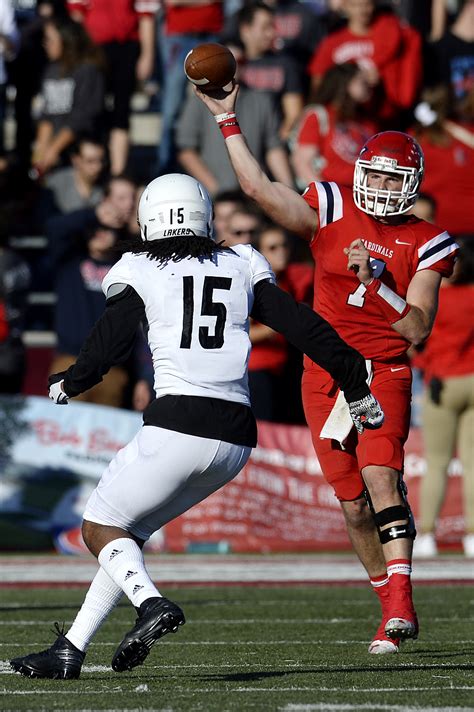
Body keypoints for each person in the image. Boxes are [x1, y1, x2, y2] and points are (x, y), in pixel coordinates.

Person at [10, 172, 383, 679]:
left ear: (152, 219)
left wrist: (71, 381)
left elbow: (110, 344)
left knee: (98, 527)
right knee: (128, 534)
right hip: (235, 436)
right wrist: (353, 379)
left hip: (179, 423)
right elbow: (302, 326)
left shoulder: (139, 266)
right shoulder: (242, 261)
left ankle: (150, 604)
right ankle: (70, 648)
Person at [193, 82, 458, 655]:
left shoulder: (428, 240)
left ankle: (403, 603)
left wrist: (377, 285)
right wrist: (227, 120)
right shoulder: (332, 206)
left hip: (383, 368)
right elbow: (259, 189)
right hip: (324, 373)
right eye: (377, 174)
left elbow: (415, 328)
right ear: (361, 170)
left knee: (380, 476)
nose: (383, 187)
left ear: (410, 185)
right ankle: (386, 599)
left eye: (394, 179)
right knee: (351, 502)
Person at [413, 238, 474, 558]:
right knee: (472, 464)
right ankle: (471, 536)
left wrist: (424, 367)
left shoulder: (433, 296)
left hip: (442, 381)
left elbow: (418, 339)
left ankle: (427, 534)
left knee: (436, 464)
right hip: (471, 379)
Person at [32, 15, 105, 177]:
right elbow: (46, 116)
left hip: (79, 147)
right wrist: (41, 152)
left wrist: (54, 149)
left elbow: (82, 117)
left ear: (66, 40)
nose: (46, 44)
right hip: (55, 150)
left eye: (50, 39)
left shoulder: (87, 70)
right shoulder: (51, 70)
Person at [291, 62, 378, 190]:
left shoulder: (365, 120)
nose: (368, 84)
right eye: (361, 80)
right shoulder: (319, 115)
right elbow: (302, 163)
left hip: (359, 195)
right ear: (345, 83)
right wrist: (327, 196)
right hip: (330, 197)